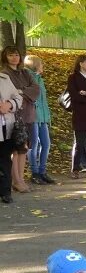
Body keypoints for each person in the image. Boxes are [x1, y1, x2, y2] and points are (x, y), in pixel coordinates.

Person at [1, 45, 39, 192]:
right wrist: (22, 93)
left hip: (27, 115)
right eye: (10, 55)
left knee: (23, 148)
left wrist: (21, 91)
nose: (14, 58)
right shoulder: (4, 74)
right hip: (13, 115)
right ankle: (15, 180)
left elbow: (36, 89)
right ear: (5, 57)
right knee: (14, 150)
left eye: (16, 55)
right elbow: (10, 94)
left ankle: (21, 179)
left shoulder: (25, 72)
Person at [23, 55, 54, 184]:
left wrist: (47, 116)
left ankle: (42, 171)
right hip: (32, 116)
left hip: (42, 117)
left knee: (46, 144)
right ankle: (34, 172)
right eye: (41, 64)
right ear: (35, 64)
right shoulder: (26, 77)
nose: (42, 66)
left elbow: (43, 100)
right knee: (33, 144)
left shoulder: (39, 79)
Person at [0, 69, 22, 203]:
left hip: (6, 127)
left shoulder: (4, 78)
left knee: (5, 161)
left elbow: (18, 98)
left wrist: (9, 104)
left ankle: (5, 192)